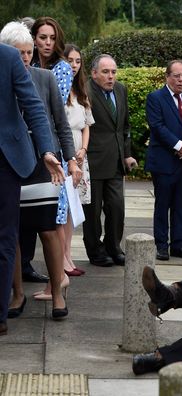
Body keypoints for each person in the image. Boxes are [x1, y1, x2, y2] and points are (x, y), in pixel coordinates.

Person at [0, 21, 81, 319]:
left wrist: (70, 159)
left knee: (48, 229)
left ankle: (58, 291)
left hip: (43, 163)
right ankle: (17, 294)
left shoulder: (44, 78)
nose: (24, 58)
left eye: (28, 52)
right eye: (18, 52)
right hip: (11, 164)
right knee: (14, 231)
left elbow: (61, 124)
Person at [20, 16, 75, 283]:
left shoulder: (58, 70)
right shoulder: (23, 65)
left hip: (48, 149)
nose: (47, 43)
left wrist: (70, 157)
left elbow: (52, 114)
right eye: (42, 38)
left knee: (52, 217)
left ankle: (60, 277)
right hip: (23, 151)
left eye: (52, 38)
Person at [145, 60, 182, 261]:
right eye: (177, 76)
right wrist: (179, 145)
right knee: (163, 205)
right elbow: (157, 126)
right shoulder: (155, 98)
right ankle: (161, 245)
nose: (181, 80)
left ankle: (178, 244)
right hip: (164, 161)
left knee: (181, 205)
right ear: (167, 76)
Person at [84, 54, 137, 267]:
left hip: (116, 161)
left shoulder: (121, 90)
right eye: (105, 72)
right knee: (93, 212)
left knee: (117, 207)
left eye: (113, 71)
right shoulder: (85, 91)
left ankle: (114, 247)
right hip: (94, 161)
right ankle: (95, 251)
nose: (110, 76)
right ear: (94, 73)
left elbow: (124, 126)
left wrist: (127, 154)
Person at [59, 43, 94, 276]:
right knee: (61, 209)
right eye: (70, 60)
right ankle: (59, 258)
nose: (74, 65)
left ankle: (69, 256)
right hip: (63, 151)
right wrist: (71, 153)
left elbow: (87, 126)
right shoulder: (58, 87)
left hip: (81, 155)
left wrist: (83, 150)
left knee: (73, 210)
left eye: (78, 61)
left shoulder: (81, 92)